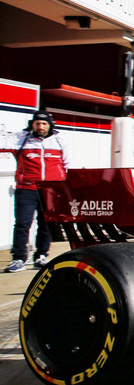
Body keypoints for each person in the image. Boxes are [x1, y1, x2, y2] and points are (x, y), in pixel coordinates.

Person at [1, 111, 72, 272]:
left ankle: (41, 256)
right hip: (26, 189)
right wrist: (18, 134)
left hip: (51, 190)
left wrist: (65, 188)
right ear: (32, 124)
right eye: (37, 123)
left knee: (46, 224)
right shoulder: (22, 139)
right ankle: (18, 258)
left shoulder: (60, 140)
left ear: (50, 125)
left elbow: (68, 164)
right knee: (22, 224)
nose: (40, 126)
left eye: (44, 123)